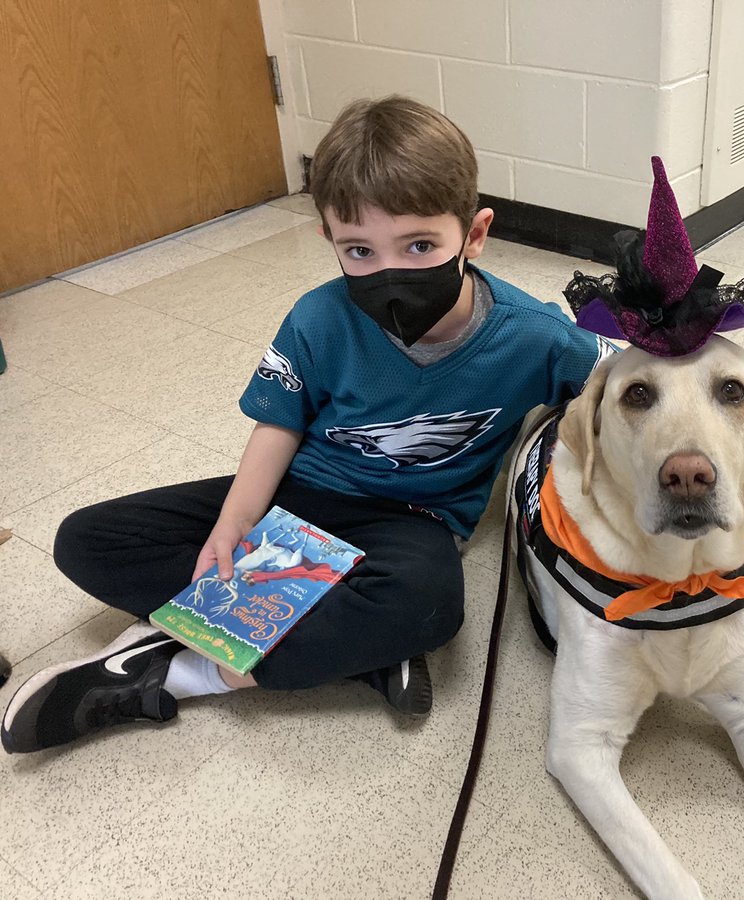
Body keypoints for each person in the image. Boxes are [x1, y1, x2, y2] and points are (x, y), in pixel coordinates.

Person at [2, 95, 612, 754]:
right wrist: (233, 528)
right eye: (359, 249)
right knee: (85, 540)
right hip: (299, 500)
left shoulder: (537, 336)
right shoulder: (318, 318)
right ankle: (351, 647)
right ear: (327, 238)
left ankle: (184, 668)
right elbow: (277, 427)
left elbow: (629, 386)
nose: (390, 273)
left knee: (428, 607)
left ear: (474, 233)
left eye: (419, 244)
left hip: (414, 521)